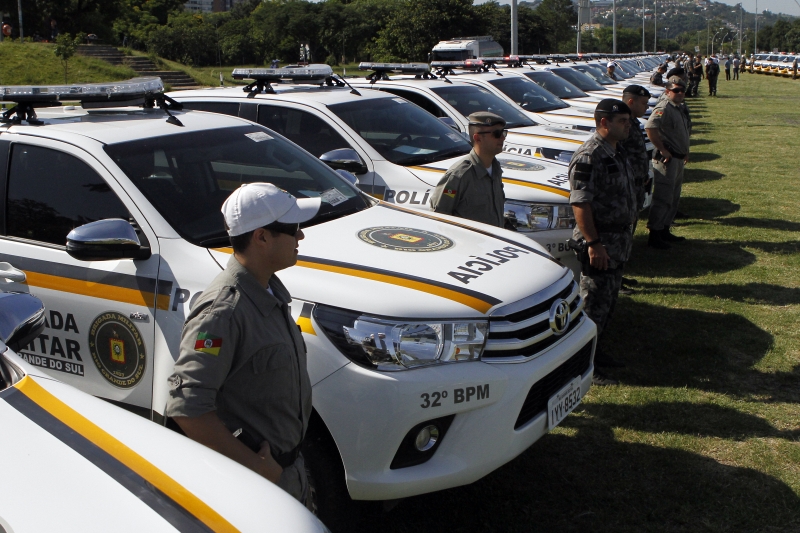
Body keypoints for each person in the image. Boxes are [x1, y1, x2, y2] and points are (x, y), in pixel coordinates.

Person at [166, 182, 321, 508]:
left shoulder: (269, 292)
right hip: (255, 490)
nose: (301, 237)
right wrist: (255, 468)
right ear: (261, 237)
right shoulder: (223, 312)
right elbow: (188, 406)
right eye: (293, 229)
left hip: (288, 475)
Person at [568, 99, 638, 385]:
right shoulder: (590, 156)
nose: (628, 125)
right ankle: (582, 364)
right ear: (603, 122)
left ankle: (596, 352)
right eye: (622, 121)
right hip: (601, 242)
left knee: (608, 302)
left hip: (617, 241)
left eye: (628, 120)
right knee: (593, 302)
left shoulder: (615, 151)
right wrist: (593, 243)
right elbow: (581, 204)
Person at [430, 111, 507, 227]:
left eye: (504, 133)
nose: (502, 138)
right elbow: (439, 216)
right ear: (478, 138)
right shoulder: (459, 175)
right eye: (497, 133)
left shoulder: (495, 170)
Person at [645, 77, 691, 250]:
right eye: (676, 90)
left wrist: (685, 151)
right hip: (667, 160)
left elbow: (682, 132)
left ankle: (665, 229)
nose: (680, 93)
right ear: (667, 91)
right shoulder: (664, 107)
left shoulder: (679, 108)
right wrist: (662, 149)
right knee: (663, 198)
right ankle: (655, 234)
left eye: (682, 90)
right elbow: (650, 127)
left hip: (678, 158)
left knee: (673, 197)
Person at [619, 85, 652, 295]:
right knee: (620, 236)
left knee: (628, 234)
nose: (646, 107)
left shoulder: (632, 123)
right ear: (631, 101)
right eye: (643, 103)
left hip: (636, 187)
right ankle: (614, 280)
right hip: (625, 189)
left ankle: (618, 273)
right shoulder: (621, 125)